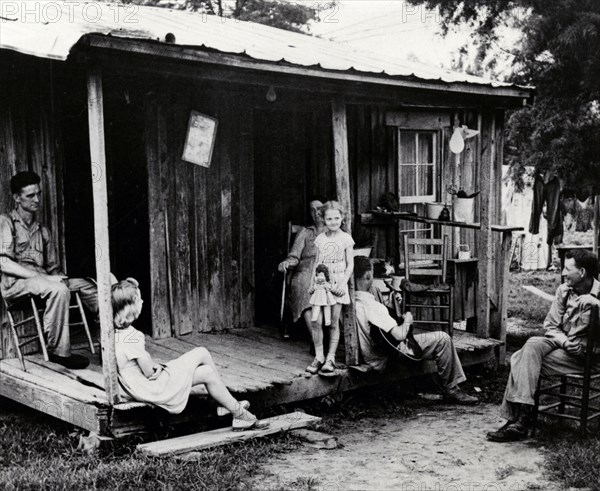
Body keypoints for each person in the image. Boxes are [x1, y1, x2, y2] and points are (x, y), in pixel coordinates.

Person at [112, 278, 269, 431]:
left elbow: (133, 364)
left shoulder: (113, 334)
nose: (143, 302)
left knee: (206, 372)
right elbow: (148, 372)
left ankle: (232, 408)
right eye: (139, 300)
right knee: (202, 352)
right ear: (130, 310)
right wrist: (157, 368)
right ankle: (233, 408)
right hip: (152, 388)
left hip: (137, 387)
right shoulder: (133, 338)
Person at [487, 250, 600, 442]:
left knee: (519, 358)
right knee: (532, 345)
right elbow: (551, 326)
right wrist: (564, 341)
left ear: (582, 272)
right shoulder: (564, 291)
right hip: (563, 347)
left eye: (567, 269)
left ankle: (520, 419)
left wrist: (597, 304)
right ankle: (521, 419)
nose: (563, 273)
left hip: (589, 357)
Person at [0, 171, 98, 369]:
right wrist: (47, 279)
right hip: (16, 285)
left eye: (38, 194)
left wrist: (58, 277)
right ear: (17, 198)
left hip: (42, 282)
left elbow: (53, 268)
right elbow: (3, 263)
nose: (37, 199)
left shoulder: (42, 229)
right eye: (30, 195)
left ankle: (111, 340)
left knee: (91, 286)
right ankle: (59, 352)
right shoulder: (6, 222)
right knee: (59, 290)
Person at [353, 255, 478, 404]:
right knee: (443, 339)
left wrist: (393, 307)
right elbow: (399, 335)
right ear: (368, 275)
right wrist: (407, 319)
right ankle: (452, 389)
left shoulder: (351, 302)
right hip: (387, 356)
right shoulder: (373, 307)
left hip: (370, 354)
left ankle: (438, 385)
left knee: (423, 337)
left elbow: (381, 332)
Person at [306, 200, 355, 374]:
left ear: (342, 218)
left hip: (337, 283)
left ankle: (330, 358)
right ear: (323, 219)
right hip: (321, 284)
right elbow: (316, 263)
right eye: (329, 219)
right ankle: (319, 356)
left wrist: (342, 284)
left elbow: (350, 265)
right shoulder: (320, 239)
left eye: (336, 218)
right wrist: (312, 283)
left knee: (333, 322)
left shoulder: (346, 239)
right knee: (316, 321)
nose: (333, 222)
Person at [278, 199, 327, 332]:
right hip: (305, 271)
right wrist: (287, 263)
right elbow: (294, 256)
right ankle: (316, 339)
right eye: (312, 210)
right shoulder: (305, 233)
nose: (316, 212)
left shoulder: (335, 231)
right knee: (304, 287)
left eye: (319, 208)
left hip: (327, 271)